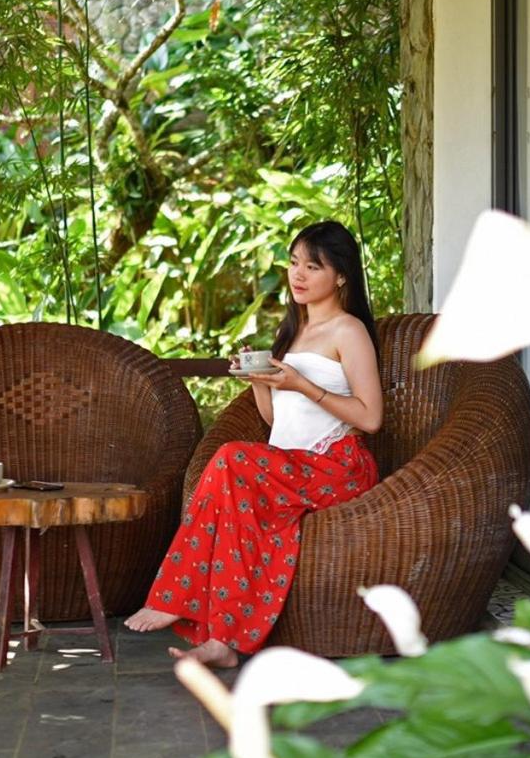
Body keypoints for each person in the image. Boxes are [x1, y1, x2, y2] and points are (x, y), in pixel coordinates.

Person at [125, 220, 383, 667]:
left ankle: (176, 596)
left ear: (341, 275)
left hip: (337, 466)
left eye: (313, 266)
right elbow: (275, 422)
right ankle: (222, 643)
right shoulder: (294, 331)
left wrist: (302, 384)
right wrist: (259, 381)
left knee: (230, 459)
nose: (298, 274)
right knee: (233, 498)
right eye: (294, 262)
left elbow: (371, 418)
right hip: (292, 464)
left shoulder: (349, 331)